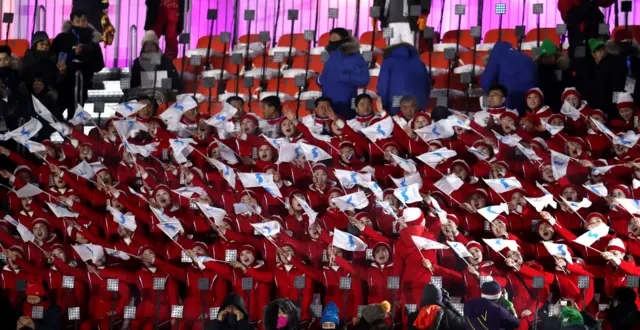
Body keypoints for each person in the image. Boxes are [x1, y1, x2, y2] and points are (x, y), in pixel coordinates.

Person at [51, 9, 105, 120]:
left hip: (82, 82)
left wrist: (89, 55)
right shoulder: (62, 37)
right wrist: (72, 54)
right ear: (72, 22)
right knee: (56, 113)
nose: (81, 24)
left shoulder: (92, 40)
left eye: (84, 21)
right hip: (64, 82)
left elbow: (99, 65)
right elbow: (55, 57)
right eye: (77, 21)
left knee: (76, 117)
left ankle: (75, 135)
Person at [318, 28, 370, 120]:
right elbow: (325, 77)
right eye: (331, 38)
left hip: (346, 102)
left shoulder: (355, 57)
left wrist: (343, 77)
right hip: (328, 103)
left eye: (335, 38)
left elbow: (364, 79)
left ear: (344, 39)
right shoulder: (331, 57)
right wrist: (319, 80)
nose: (332, 41)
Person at [480, 41, 537, 112]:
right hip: (531, 99)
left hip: (510, 99)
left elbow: (486, 83)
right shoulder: (528, 58)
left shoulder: (497, 56)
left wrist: (493, 94)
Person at [377, 42, 430, 114]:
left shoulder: (388, 62)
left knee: (396, 123)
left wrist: (383, 105)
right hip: (418, 103)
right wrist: (423, 104)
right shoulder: (420, 63)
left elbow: (383, 85)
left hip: (396, 101)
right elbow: (427, 86)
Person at [533, 39, 573, 112]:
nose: (547, 59)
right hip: (543, 106)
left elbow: (568, 85)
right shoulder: (538, 69)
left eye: (550, 57)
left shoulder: (563, 68)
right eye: (545, 57)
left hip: (561, 105)